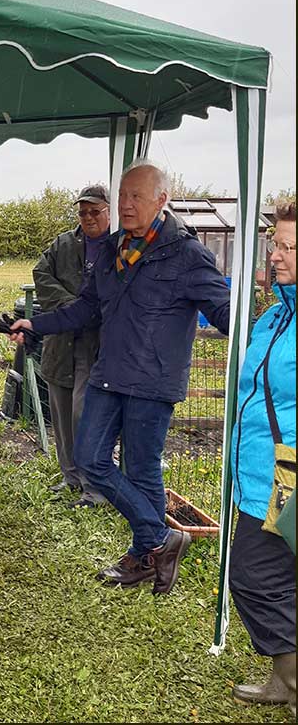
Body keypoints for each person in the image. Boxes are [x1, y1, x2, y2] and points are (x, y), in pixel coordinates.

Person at [8, 159, 231, 594]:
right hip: (110, 374)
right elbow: (85, 308)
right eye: (123, 195)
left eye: (136, 197)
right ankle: (161, 539)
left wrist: (251, 325)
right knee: (91, 458)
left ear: (162, 201)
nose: (126, 205)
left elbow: (224, 312)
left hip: (152, 380)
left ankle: (144, 555)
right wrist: (35, 324)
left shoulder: (187, 254)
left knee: (142, 469)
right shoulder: (113, 249)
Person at [228, 201, 295, 715]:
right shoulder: (273, 317)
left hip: (286, 473)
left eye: (292, 248)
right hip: (260, 470)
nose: (278, 255)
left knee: (252, 577)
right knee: (273, 578)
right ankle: (281, 678)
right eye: (276, 243)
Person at [33, 183, 111, 509]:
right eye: (83, 211)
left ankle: (94, 488)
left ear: (108, 211)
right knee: (62, 411)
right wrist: (70, 307)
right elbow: (40, 273)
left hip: (97, 344)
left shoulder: (119, 247)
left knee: (85, 412)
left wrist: (89, 312)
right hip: (60, 341)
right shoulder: (63, 243)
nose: (88, 217)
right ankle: (70, 477)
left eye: (95, 211)